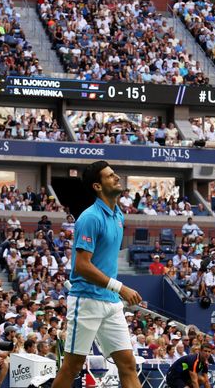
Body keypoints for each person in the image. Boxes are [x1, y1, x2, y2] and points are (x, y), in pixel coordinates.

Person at [51, 161, 142, 388]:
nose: (117, 177)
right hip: (87, 300)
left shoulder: (118, 215)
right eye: (110, 176)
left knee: (128, 364)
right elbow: (81, 265)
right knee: (73, 365)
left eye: (115, 174)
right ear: (97, 186)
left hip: (111, 303)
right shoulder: (90, 217)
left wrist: (114, 291)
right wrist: (120, 288)